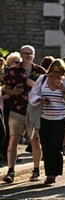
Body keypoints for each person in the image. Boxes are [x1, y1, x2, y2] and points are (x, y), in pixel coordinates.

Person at [2, 45, 45, 183]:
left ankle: (36, 170)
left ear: (34, 55)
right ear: (21, 54)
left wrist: (34, 86)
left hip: (34, 110)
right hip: (17, 110)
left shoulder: (40, 71)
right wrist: (13, 92)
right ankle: (11, 171)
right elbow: (5, 89)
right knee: (13, 139)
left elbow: (48, 89)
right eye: (25, 53)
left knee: (35, 140)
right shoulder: (13, 71)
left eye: (30, 53)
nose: (28, 55)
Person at [28, 59, 65, 185]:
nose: (58, 75)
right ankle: (49, 173)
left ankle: (54, 173)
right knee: (46, 146)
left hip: (60, 118)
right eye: (55, 72)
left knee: (55, 145)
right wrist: (40, 99)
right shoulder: (42, 79)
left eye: (61, 72)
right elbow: (33, 95)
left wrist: (63, 89)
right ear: (50, 71)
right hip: (44, 117)